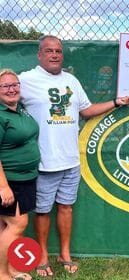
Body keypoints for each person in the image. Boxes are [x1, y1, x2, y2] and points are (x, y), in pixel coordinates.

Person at [19, 35, 129, 277]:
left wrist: (116, 102)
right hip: (44, 162)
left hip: (71, 161)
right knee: (42, 211)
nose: (54, 55)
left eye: (58, 51)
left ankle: (64, 254)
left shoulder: (70, 80)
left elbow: (87, 110)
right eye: (49, 51)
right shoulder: (25, 80)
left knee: (66, 207)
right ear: (39, 55)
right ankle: (41, 256)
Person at [0, 69, 40, 280]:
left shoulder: (20, 109)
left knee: (4, 225)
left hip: (25, 178)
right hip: (9, 180)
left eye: (14, 84)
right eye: (5, 86)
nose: (11, 89)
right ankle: (1, 274)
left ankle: (10, 269)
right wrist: (3, 186)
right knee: (18, 224)